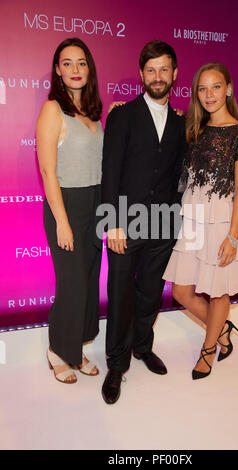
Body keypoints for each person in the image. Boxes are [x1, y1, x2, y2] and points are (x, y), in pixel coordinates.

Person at [99, 40, 187, 404]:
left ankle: (141, 347)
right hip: (125, 221)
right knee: (120, 292)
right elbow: (110, 171)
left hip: (164, 222)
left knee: (150, 292)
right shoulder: (122, 114)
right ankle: (116, 365)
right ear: (141, 75)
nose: (157, 76)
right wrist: (112, 222)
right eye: (150, 70)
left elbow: (181, 172)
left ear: (175, 74)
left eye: (164, 69)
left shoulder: (183, 121)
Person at [163, 62, 238, 380]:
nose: (209, 94)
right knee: (181, 291)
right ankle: (222, 329)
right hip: (193, 218)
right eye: (202, 88)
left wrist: (233, 236)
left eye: (215, 86)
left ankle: (208, 349)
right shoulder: (193, 127)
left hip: (221, 223)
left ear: (228, 88)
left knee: (218, 292)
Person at [36, 37, 103, 384]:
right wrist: (62, 221)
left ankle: (76, 347)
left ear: (89, 68)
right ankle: (57, 350)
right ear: (58, 70)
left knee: (90, 283)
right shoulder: (52, 109)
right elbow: (48, 171)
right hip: (67, 206)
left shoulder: (94, 112)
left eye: (81, 62)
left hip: (94, 205)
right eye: (67, 63)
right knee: (72, 283)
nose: (75, 69)